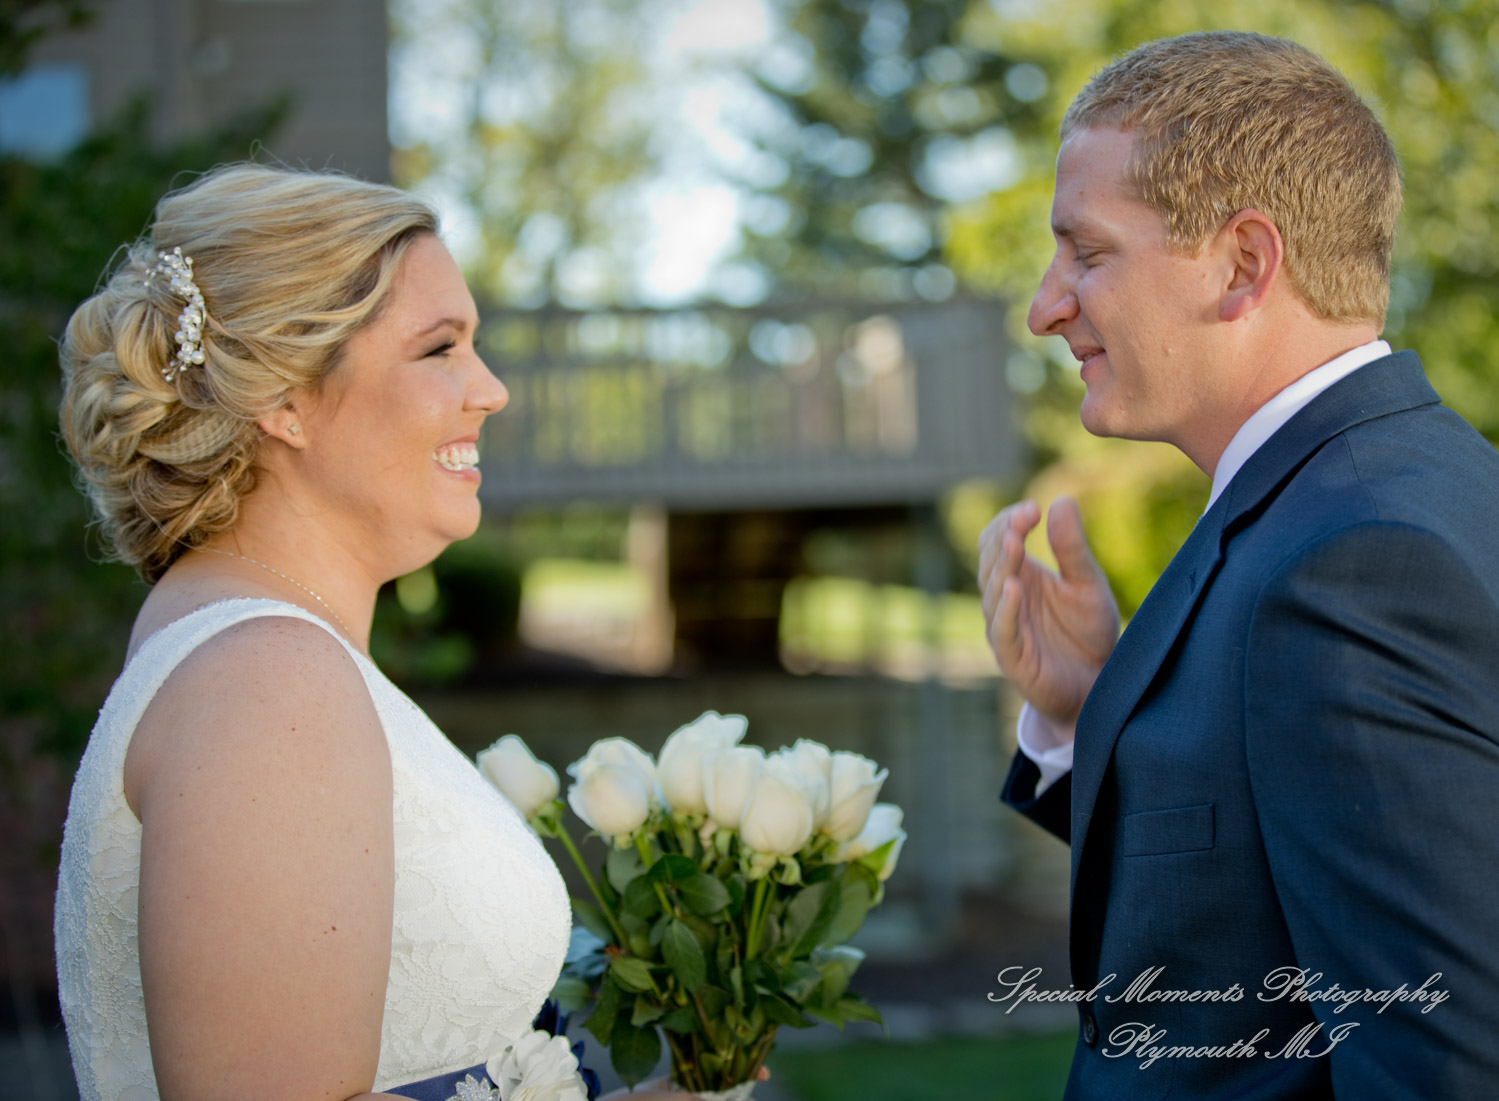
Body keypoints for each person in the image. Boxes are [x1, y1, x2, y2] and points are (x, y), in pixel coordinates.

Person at [52, 165, 684, 1101]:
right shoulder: (268, 680)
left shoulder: (254, 649)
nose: (491, 390)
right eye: (440, 350)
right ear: (285, 400)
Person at [978, 31, 1499, 1098]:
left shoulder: (1356, 562)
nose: (1044, 306)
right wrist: (1092, 713)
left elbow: (1442, 1063)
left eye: (1084, 252)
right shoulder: (1353, 498)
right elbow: (1249, 900)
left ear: (1241, 264)